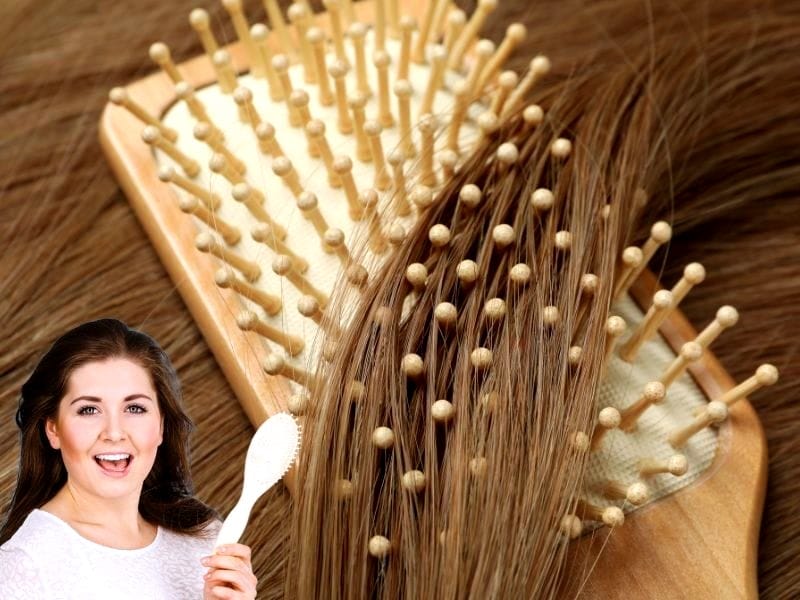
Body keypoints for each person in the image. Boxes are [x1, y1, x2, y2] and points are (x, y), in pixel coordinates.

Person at [0, 319, 257, 599]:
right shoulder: (26, 566)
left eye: (135, 408)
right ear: (54, 429)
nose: (114, 432)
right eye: (88, 410)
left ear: (160, 425)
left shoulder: (206, 539)